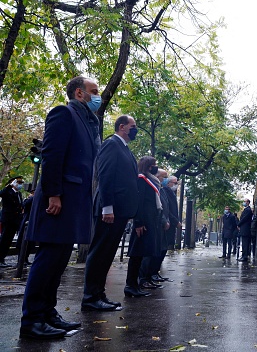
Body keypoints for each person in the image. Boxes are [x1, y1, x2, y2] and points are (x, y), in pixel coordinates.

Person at [20, 76, 101, 339]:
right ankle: (31, 320)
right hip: (60, 198)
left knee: (60, 257)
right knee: (49, 257)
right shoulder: (63, 114)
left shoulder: (89, 123)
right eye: (94, 91)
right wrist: (54, 194)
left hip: (75, 200)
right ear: (79, 93)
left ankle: (47, 312)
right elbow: (51, 155)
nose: (97, 96)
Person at [82, 115, 139, 311]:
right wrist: (108, 207)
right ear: (122, 126)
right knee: (100, 252)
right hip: (110, 210)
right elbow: (105, 175)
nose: (135, 129)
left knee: (107, 254)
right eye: (133, 126)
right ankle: (90, 297)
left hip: (120, 211)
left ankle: (99, 294)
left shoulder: (124, 148)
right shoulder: (111, 144)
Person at [125, 156, 162, 297]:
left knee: (141, 254)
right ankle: (131, 285)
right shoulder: (141, 179)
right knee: (137, 254)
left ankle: (135, 285)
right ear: (148, 165)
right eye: (154, 164)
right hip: (143, 221)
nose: (155, 167)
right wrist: (138, 222)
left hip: (150, 220)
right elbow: (139, 202)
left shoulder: (150, 179)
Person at [0, 176, 25, 267]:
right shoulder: (8, 192)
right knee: (4, 239)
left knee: (8, 241)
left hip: (15, 220)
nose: (20, 185)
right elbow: (1, 193)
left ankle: (2, 258)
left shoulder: (19, 194)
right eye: (18, 183)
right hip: (8, 219)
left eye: (21, 183)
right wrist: (9, 186)